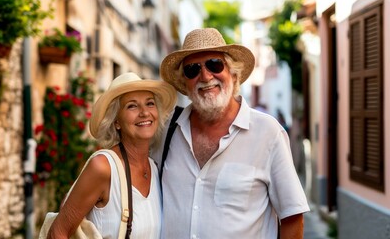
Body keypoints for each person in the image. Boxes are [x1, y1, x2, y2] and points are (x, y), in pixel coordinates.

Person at [152, 28, 310, 238]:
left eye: (214, 64)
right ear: (184, 82)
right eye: (192, 69)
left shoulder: (268, 133)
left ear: (233, 73)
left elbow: (292, 217)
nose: (206, 76)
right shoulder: (166, 131)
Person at [46, 72, 177, 238]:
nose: (144, 112)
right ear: (116, 121)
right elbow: (58, 232)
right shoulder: (103, 166)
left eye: (150, 103)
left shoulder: (155, 167)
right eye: (132, 106)